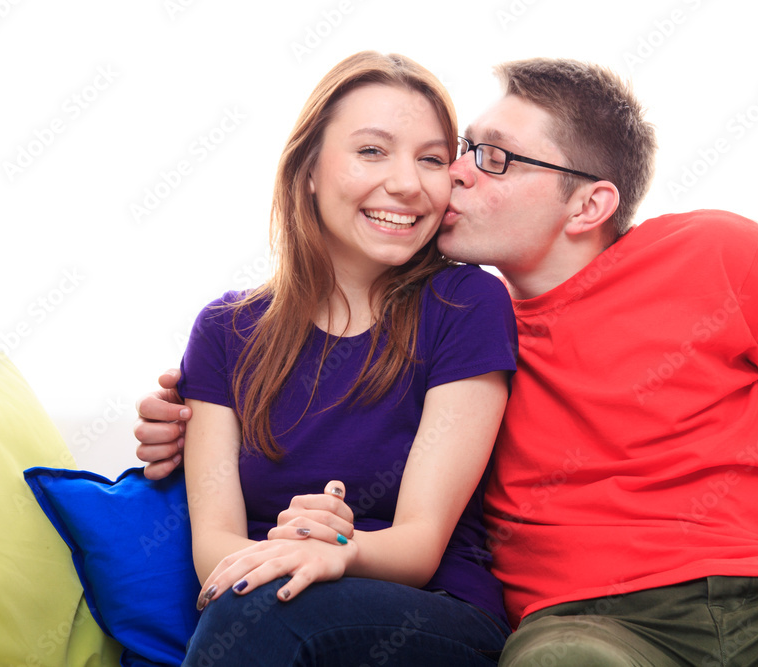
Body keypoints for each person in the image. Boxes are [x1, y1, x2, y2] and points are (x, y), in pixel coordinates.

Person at [138, 56, 758, 665]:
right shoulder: (473, 323)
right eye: (462, 150)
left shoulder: (710, 253)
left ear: (590, 203)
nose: (449, 176)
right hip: (590, 623)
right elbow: (323, 400)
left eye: (488, 157)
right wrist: (184, 421)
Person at [167, 51, 518, 666]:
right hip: (268, 602)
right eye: (372, 151)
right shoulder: (224, 331)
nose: (407, 183)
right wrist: (291, 549)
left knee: (261, 611)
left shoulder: (467, 303)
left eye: (432, 159)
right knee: (254, 604)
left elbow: (419, 545)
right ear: (308, 170)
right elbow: (215, 549)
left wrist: (335, 547)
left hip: (434, 613)